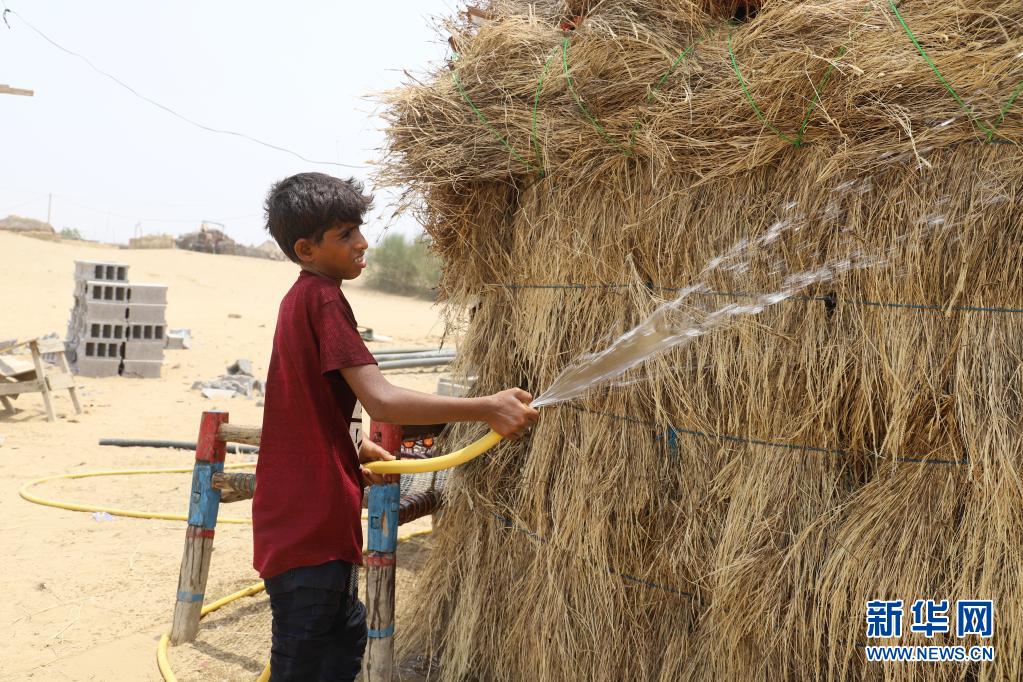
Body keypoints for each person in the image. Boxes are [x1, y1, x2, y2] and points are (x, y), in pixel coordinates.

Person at [253, 172, 538, 681]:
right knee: (309, 664)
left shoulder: (301, 300)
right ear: (306, 249)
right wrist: (488, 407)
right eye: (345, 234)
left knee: (342, 645)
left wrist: (355, 445)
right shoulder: (323, 299)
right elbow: (381, 399)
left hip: (307, 525)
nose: (362, 243)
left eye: (359, 229)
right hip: (308, 532)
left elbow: (306, 402)